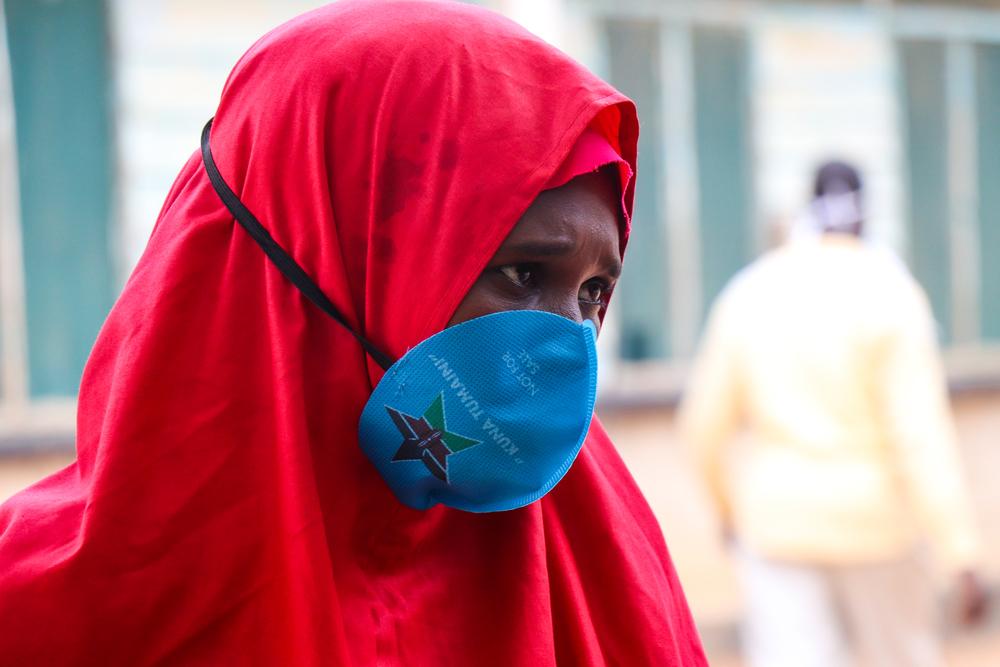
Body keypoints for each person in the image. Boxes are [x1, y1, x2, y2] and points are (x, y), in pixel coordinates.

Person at [0, 1, 708, 664]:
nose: (564, 349)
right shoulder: (42, 617)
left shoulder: (608, 569)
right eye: (522, 273)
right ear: (333, 251)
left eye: (593, 294)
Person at [679, 160, 988, 667]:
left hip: (778, 526)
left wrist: (730, 513)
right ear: (868, 215)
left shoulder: (752, 292)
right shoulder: (892, 295)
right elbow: (920, 438)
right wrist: (960, 554)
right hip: (879, 530)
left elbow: (702, 425)